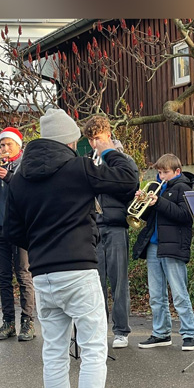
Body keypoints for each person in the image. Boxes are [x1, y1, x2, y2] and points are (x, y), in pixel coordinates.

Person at [4, 108, 139, 388]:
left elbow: (12, 231)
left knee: (54, 354)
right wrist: (108, 149)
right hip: (79, 271)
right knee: (93, 351)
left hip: (42, 275)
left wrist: (41, 245)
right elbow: (128, 179)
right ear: (68, 141)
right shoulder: (79, 168)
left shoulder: (19, 179)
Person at [132, 154, 194, 352]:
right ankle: (161, 333)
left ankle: (190, 333)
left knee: (179, 293)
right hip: (154, 246)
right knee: (156, 295)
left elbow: (185, 216)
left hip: (173, 246)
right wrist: (143, 202)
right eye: (159, 172)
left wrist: (159, 202)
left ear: (177, 171)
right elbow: (149, 217)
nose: (161, 176)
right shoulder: (156, 187)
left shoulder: (183, 188)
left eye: (165, 172)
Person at [81, 115, 138, 349]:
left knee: (119, 280)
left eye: (98, 138)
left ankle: (122, 330)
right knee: (96, 283)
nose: (94, 143)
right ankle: (100, 329)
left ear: (108, 135)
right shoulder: (87, 160)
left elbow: (131, 188)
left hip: (115, 224)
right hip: (94, 226)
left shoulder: (124, 160)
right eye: (91, 140)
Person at [0, 127, 37, 342]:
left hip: (19, 228)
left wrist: (9, 177)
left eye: (9, 144)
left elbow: (30, 191)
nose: (5, 148)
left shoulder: (26, 163)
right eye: (2, 144)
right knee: (3, 276)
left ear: (18, 145)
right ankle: (8, 322)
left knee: (23, 274)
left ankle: (27, 321)